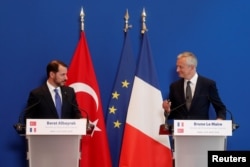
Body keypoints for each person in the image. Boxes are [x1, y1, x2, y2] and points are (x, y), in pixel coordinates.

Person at [162, 51, 226, 120]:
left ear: (192, 67)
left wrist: (220, 119)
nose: (177, 70)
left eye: (180, 67)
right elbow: (172, 114)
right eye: (177, 67)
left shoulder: (207, 84)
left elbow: (221, 108)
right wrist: (167, 110)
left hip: (200, 129)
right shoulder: (174, 86)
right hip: (181, 129)